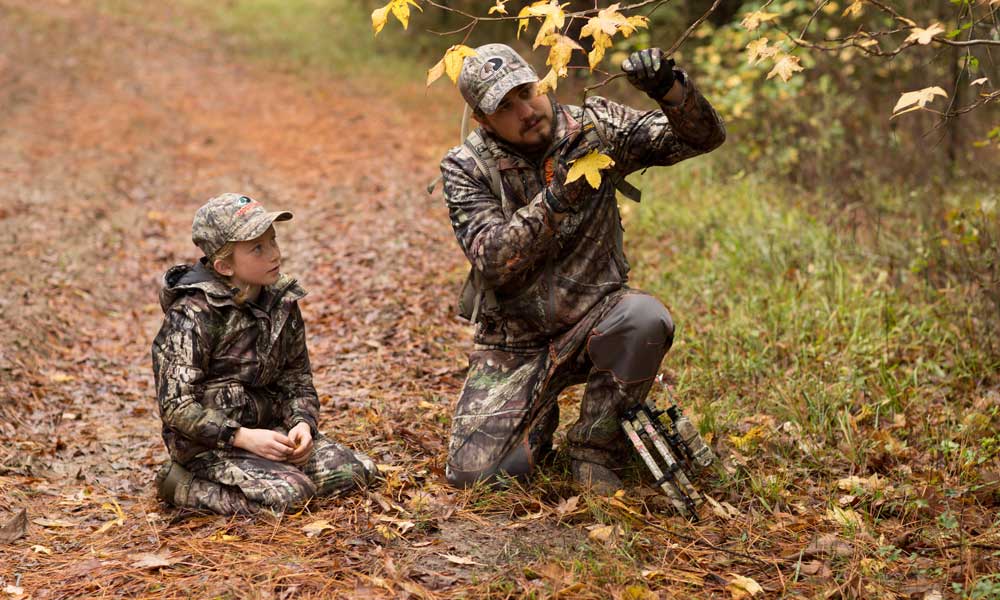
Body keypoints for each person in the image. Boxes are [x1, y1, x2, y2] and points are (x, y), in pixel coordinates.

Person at [439, 44, 726, 494]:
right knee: (479, 476)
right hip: (515, 345)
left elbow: (701, 138)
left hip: (598, 316)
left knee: (644, 317)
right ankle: (535, 417)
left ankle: (596, 443)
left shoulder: (594, 128)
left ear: (541, 82)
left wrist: (670, 92)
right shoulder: (465, 167)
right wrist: (558, 197)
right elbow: (494, 261)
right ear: (483, 120)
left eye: (526, 91)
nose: (526, 110)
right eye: (505, 106)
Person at [151, 193, 378, 514]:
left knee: (355, 473)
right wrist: (240, 436)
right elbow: (176, 406)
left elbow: (296, 378)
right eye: (258, 248)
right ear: (224, 265)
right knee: (291, 497)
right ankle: (180, 484)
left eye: (273, 241)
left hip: (272, 432)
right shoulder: (192, 315)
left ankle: (277, 474)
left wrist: (302, 424)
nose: (274, 254)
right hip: (210, 446)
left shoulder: (282, 301)